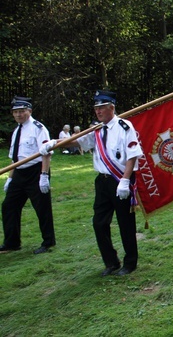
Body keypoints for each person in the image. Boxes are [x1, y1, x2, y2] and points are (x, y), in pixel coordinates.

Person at [40, 90, 143, 275]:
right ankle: (111, 262)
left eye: (102, 107)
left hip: (120, 179)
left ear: (112, 107)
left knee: (125, 223)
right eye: (96, 108)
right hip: (102, 182)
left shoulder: (124, 127)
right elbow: (77, 142)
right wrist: (54, 143)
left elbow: (133, 156)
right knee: (99, 223)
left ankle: (130, 262)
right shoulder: (96, 130)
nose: (98, 111)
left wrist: (126, 180)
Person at [1, 96, 55, 254]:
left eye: (21, 111)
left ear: (29, 111)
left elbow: (46, 153)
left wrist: (44, 175)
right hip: (19, 173)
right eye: (15, 112)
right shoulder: (17, 130)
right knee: (8, 205)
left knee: (42, 207)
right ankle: (12, 242)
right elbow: (14, 158)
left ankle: (48, 242)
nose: (18, 115)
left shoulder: (38, 128)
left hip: (36, 171)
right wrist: (10, 179)